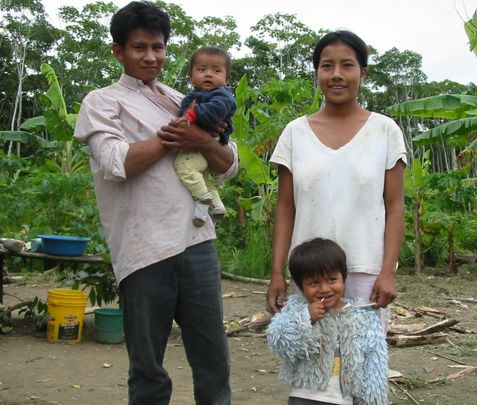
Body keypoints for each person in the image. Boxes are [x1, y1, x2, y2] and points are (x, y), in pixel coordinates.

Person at [74, 2, 237, 404]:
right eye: (140, 47)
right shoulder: (102, 102)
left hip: (197, 242)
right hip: (144, 249)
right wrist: (172, 137)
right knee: (148, 371)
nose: (151, 57)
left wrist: (199, 140)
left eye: (158, 47)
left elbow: (227, 164)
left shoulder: (181, 98)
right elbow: (117, 163)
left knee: (214, 363)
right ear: (118, 51)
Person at [266, 31, 406, 329]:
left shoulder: (385, 131)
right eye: (327, 66)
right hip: (308, 275)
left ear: (363, 73)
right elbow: (285, 208)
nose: (337, 75)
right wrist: (277, 272)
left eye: (347, 65)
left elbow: (395, 207)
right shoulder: (295, 133)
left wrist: (387, 273)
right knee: (310, 364)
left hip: (365, 272)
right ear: (317, 72)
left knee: (362, 365)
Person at [267, 237, 388, 405]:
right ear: (301, 287)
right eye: (314, 283)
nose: (324, 289)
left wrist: (372, 400)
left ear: (344, 278)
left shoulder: (363, 317)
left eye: (332, 280)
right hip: (305, 397)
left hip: (345, 400)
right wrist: (305, 317)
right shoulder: (297, 309)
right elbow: (279, 341)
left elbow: (375, 364)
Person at [174, 47, 237, 227]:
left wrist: (191, 116)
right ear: (191, 76)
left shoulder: (222, 95)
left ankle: (202, 200)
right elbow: (183, 114)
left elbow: (215, 110)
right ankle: (216, 205)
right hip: (203, 142)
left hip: (214, 139)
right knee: (202, 176)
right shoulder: (195, 95)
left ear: (226, 79)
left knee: (184, 167)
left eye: (216, 71)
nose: (208, 74)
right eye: (202, 70)